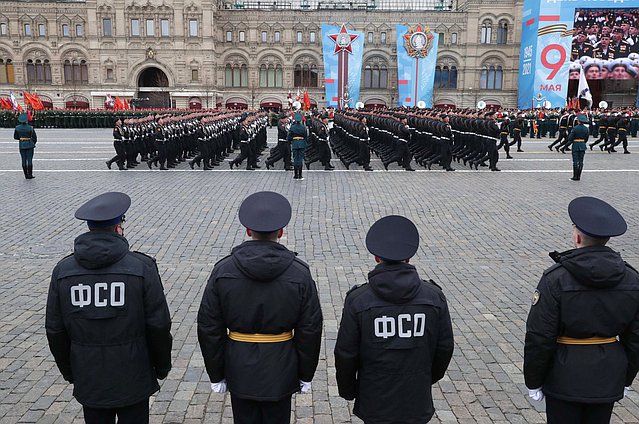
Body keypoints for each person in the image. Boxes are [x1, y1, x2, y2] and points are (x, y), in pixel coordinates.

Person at [45, 192, 173, 424]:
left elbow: (55, 329)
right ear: (118, 228)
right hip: (134, 372)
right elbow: (159, 324)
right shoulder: (141, 267)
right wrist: (161, 366)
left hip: (89, 373)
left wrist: (70, 370)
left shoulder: (64, 271)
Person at [197, 191, 323, 424]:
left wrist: (216, 373)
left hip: (239, 364)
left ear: (248, 231)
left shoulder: (223, 271)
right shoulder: (299, 273)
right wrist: (305, 374)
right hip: (281, 366)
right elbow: (310, 329)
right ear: (281, 232)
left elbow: (209, 326)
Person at [524, 196, 639, 424]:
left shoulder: (555, 279)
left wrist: (534, 380)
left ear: (577, 237)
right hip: (608, 374)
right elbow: (635, 338)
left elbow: (540, 336)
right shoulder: (632, 279)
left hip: (563, 375)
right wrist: (626, 377)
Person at [334, 215, 454, 424]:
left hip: (374, 398)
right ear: (408, 258)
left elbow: (346, 353)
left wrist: (348, 390)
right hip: (416, 396)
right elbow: (444, 348)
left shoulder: (359, 300)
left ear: (376, 257)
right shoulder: (433, 297)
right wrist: (426, 377)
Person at [564, 114, 589, 181]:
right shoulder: (586, 129)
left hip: (575, 145)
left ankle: (575, 176)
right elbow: (586, 138)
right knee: (581, 161)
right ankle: (579, 176)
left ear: (578, 121)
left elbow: (570, 138)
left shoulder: (575, 128)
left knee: (575, 161)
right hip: (582, 145)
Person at [13, 112, 37, 179]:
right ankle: (30, 174)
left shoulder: (17, 128)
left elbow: (15, 137)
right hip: (29, 144)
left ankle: (26, 175)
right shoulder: (30, 128)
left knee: (23, 160)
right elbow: (35, 138)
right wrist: (32, 143)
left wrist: (21, 139)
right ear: (26, 120)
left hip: (21, 144)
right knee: (29, 159)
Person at [288, 112, 308, 180]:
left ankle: (296, 174)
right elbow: (305, 136)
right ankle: (300, 174)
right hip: (301, 143)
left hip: (295, 143)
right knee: (300, 159)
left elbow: (289, 137)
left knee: (295, 158)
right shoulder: (303, 127)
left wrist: (291, 141)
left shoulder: (292, 127)